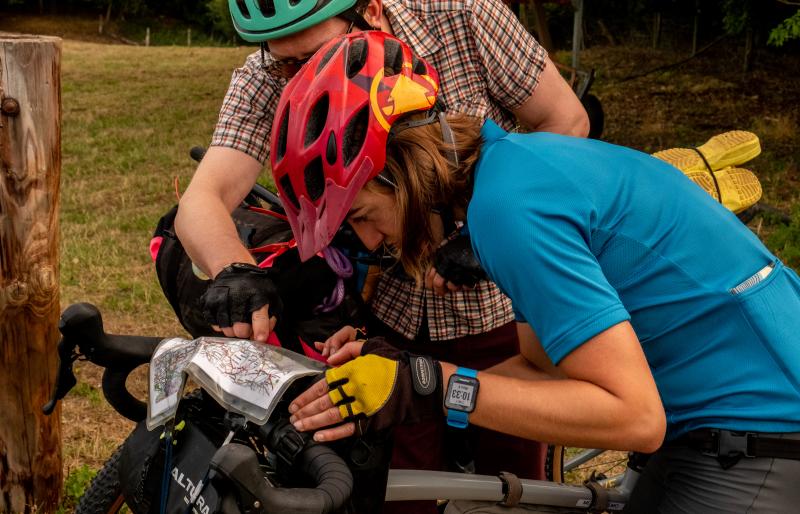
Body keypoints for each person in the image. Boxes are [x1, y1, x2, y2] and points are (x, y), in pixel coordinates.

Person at [282, 32, 800, 512]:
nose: (372, 242)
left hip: (758, 429)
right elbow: (543, 366)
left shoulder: (508, 210)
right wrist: (410, 380)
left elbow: (634, 417)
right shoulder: (507, 172)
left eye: (362, 216)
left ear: (401, 173)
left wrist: (435, 385)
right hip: (727, 421)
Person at [174, 0, 588, 498]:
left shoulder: (463, 15)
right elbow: (204, 196)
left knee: (513, 487)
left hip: (496, 314)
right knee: (393, 489)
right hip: (388, 312)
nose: (299, 76)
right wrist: (234, 268)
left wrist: (481, 237)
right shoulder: (269, 71)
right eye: (282, 63)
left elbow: (566, 121)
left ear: (369, 12)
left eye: (311, 56)